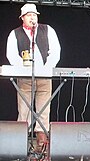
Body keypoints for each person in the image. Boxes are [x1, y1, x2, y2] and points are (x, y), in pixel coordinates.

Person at [6, 3, 61, 151]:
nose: (32, 17)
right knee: (24, 110)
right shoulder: (15, 34)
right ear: (22, 18)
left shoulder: (47, 30)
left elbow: (55, 50)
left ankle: (41, 145)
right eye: (29, 15)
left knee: (44, 110)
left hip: (44, 76)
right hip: (25, 77)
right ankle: (21, 144)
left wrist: (46, 68)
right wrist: (23, 68)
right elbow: (11, 54)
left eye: (34, 15)